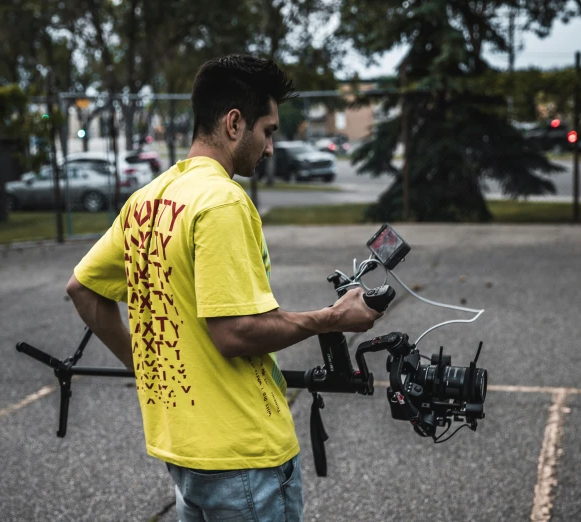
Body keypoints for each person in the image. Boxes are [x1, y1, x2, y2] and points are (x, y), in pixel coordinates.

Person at [66, 54, 383, 522]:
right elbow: (235, 333)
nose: (271, 146)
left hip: (183, 450)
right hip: (243, 457)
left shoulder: (147, 200)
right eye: (268, 130)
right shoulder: (223, 202)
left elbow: (81, 289)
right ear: (235, 123)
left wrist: (149, 368)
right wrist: (334, 318)